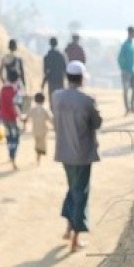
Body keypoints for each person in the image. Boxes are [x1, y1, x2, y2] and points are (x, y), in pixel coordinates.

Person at [52, 60, 102, 253]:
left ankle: (68, 226)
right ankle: (75, 238)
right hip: (82, 154)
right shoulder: (87, 100)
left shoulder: (56, 97)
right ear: (81, 78)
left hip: (64, 153)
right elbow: (97, 123)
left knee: (73, 187)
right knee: (81, 192)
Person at [0, 69, 24, 170]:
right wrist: (21, 117)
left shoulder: (2, 89)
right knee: (15, 138)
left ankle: (10, 154)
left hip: (4, 118)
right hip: (12, 118)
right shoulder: (15, 91)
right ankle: (13, 157)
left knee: (8, 137)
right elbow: (15, 106)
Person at [27, 92, 53, 165]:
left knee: (37, 143)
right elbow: (51, 119)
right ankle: (38, 159)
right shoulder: (45, 109)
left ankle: (37, 159)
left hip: (35, 130)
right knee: (41, 144)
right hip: (43, 130)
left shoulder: (33, 109)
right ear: (43, 100)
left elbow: (27, 117)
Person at [117, 26, 134, 115]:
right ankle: (127, 109)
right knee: (126, 90)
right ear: (130, 33)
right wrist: (123, 67)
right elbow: (119, 58)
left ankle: (132, 107)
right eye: (133, 33)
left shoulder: (132, 45)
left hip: (133, 71)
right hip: (126, 71)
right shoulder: (125, 45)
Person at [41, 37, 67, 110]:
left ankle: (54, 118)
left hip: (51, 81)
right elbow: (65, 69)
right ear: (57, 44)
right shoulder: (61, 55)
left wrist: (43, 82)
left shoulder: (47, 56)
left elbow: (46, 72)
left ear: (50, 44)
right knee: (60, 100)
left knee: (52, 101)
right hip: (60, 81)